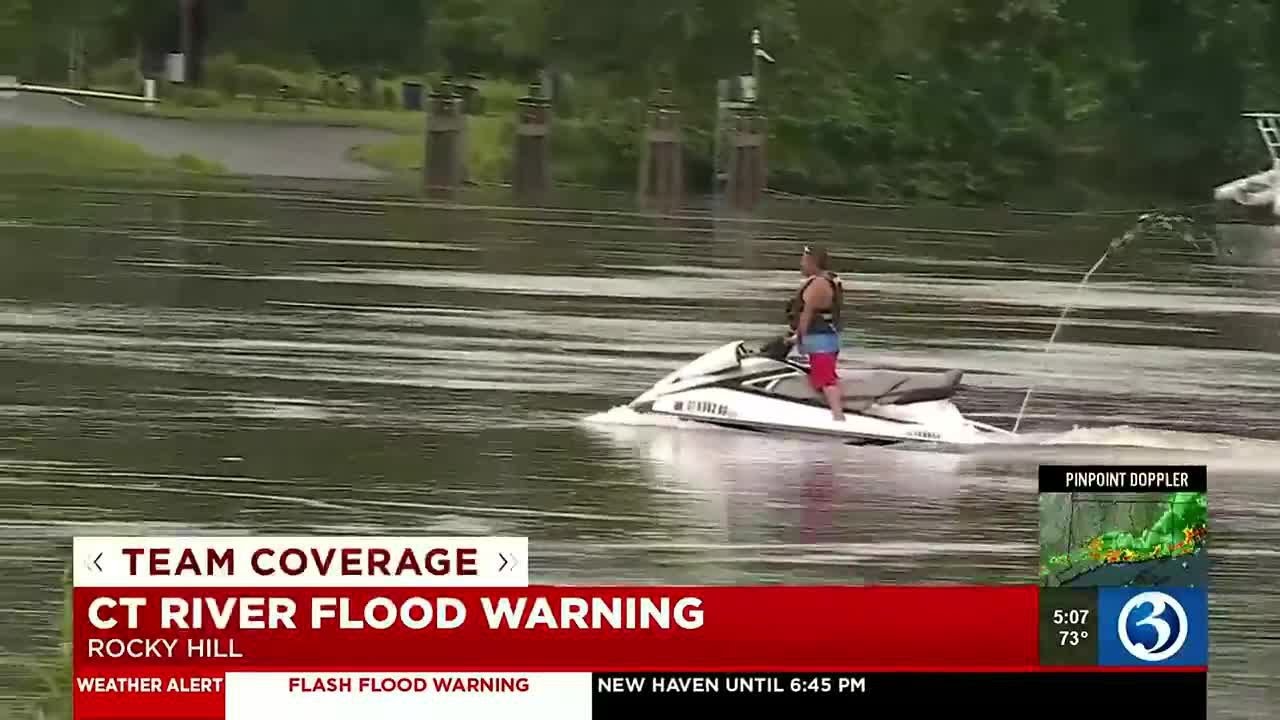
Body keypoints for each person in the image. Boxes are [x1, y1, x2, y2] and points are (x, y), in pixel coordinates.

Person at [785, 245, 845, 420]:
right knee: (823, 375)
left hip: (821, 339)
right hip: (826, 337)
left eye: (803, 260)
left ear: (812, 262)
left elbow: (807, 314)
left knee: (826, 379)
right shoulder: (826, 280)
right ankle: (833, 411)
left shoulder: (818, 284)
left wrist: (797, 337)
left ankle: (839, 418)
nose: (801, 264)